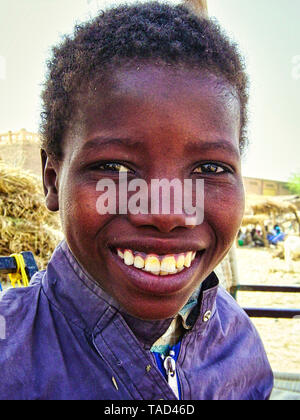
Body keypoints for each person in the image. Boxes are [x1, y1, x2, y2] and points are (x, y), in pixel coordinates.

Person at [0, 2, 273, 400]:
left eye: (210, 169)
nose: (166, 212)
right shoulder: (9, 357)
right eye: (115, 166)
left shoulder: (240, 346)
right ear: (52, 178)